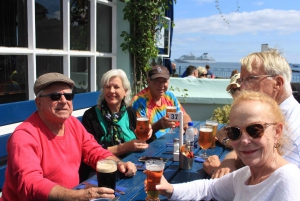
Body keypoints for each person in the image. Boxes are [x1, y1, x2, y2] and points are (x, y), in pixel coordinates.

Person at [1, 73, 137, 201]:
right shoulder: (24, 136)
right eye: (55, 96)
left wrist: (118, 163)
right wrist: (78, 196)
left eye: (68, 96)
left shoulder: (71, 122)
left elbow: (93, 150)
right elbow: (31, 183)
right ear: (39, 103)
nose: (63, 101)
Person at [154, 91, 300, 200]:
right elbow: (209, 188)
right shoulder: (247, 175)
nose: (244, 140)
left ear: (277, 132)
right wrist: (170, 189)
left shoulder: (287, 180)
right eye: (235, 132)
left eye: (255, 130)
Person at [204, 49, 300, 178]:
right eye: (242, 80)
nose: (242, 87)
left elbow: (265, 183)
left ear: (277, 83)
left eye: (250, 79)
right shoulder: (273, 115)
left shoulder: (290, 130)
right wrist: (229, 161)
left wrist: (217, 173)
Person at [79, 69, 152, 181]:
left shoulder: (130, 112)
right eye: (107, 87)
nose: (111, 91)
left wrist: (146, 133)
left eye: (116, 87)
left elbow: (138, 138)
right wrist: (126, 147)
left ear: (126, 91)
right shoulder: (91, 116)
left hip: (132, 166)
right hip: (101, 172)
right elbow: (91, 152)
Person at [131, 65, 192, 140]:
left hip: (171, 140)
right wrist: (158, 125)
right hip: (152, 146)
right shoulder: (139, 102)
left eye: (164, 81)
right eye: (157, 81)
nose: (161, 85)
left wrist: (186, 125)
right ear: (148, 81)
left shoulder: (169, 97)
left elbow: (184, 115)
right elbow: (140, 133)